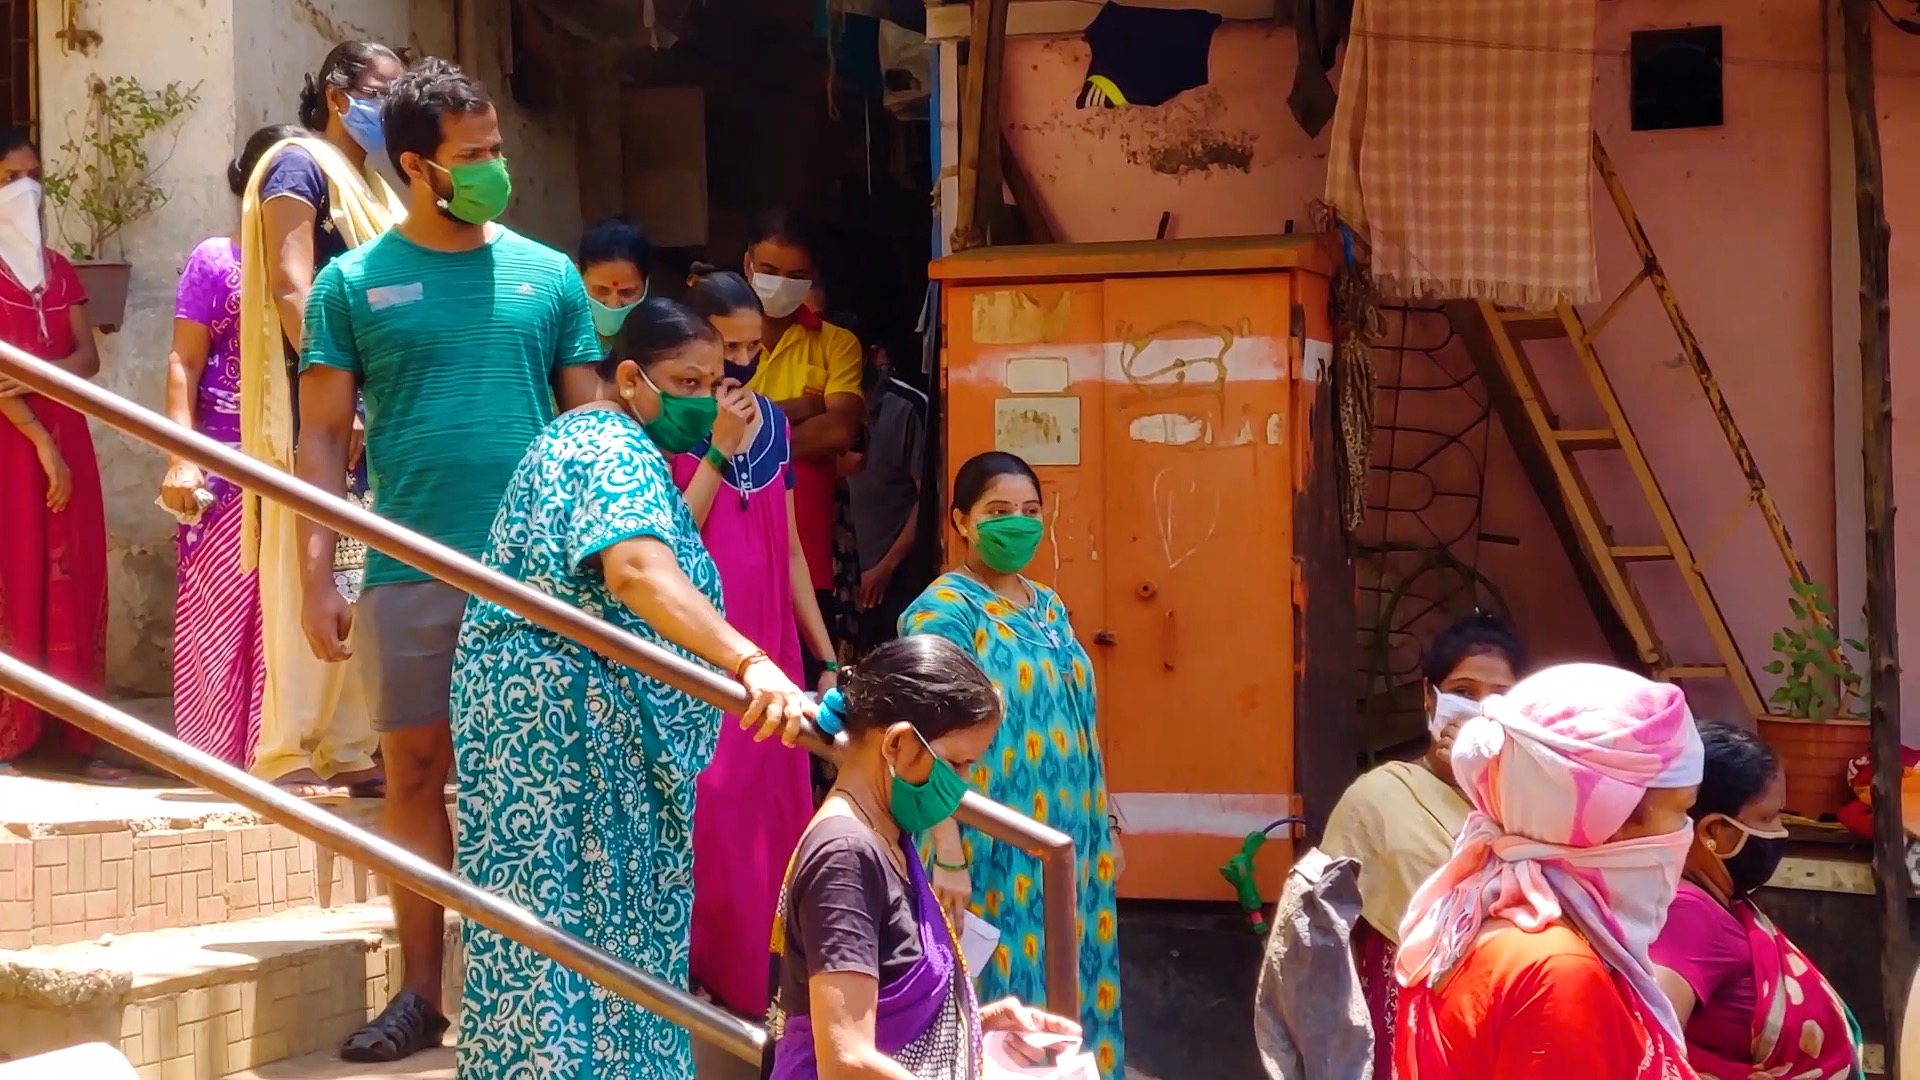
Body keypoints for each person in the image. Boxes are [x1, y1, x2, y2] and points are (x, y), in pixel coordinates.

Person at [295, 57, 604, 1063]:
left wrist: (614, 547)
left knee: (543, 780)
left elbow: (589, 417)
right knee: (414, 776)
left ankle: (552, 994)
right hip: (405, 569)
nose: (494, 169)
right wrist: (317, 570)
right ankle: (422, 995)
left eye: (497, 149)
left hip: (538, 577)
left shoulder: (549, 277)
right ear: (419, 165)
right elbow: (322, 439)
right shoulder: (352, 284)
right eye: (473, 157)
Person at [451, 298, 814, 1080]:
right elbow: (638, 569)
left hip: (571, 732)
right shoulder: (608, 444)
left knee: (576, 939)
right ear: (629, 377)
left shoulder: (601, 443)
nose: (702, 398)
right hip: (564, 734)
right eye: (686, 379)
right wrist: (750, 661)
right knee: (568, 938)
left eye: (715, 381)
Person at [765, 634, 1086, 1079]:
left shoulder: (887, 833)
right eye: (956, 764)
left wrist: (980, 1024)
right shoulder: (845, 860)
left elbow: (885, 1016)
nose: (963, 784)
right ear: (897, 745)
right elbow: (847, 1062)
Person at [900, 451, 1126, 1079]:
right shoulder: (945, 610)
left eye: (1030, 512)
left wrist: (1105, 823)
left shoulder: (1048, 606)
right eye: (998, 512)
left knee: (1073, 988)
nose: (1018, 525)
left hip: (1069, 841)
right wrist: (947, 847)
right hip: (989, 844)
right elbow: (922, 732)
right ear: (961, 521)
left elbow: (1080, 716)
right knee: (1003, 1000)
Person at [1392, 663, 1704, 1079]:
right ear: (1610, 819)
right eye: (1681, 809)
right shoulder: (1559, 971)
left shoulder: (1460, 919)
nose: (1688, 833)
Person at [239, 40, 406, 798]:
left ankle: (349, 743)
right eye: (383, 94)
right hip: (321, 408)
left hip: (375, 404)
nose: (393, 111)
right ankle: (288, 748)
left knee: (361, 572)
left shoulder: (376, 183)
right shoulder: (300, 167)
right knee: (305, 571)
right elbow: (289, 286)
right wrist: (347, 391)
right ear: (339, 98)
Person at [676, 267, 839, 1018]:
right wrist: (717, 443)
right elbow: (673, 537)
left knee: (777, 823)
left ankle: (771, 1001)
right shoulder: (671, 420)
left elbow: (796, 554)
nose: (743, 361)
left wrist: (826, 655)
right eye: (729, 346)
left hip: (775, 648)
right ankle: (710, 987)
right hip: (704, 649)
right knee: (714, 815)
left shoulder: (775, 420)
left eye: (752, 345)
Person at [1318, 611, 1525, 1078]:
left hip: (1499, 1020)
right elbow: (1329, 935)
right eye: (1463, 693)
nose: (1481, 708)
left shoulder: (1528, 812)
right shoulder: (1378, 796)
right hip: (1401, 1021)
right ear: (1428, 699)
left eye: (1500, 697)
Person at [158, 124, 305, 769]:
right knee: (222, 613)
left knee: (310, 604)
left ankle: (298, 750)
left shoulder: (321, 265)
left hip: (312, 464)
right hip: (225, 470)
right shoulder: (217, 261)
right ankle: (218, 761)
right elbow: (184, 364)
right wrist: (180, 456)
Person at [0, 129, 120, 780]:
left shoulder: (59, 268)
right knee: (16, 575)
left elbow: (87, 356)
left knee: (71, 574)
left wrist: (41, 383)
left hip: (65, 433)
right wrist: (40, 438)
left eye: (33, 175)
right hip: (13, 446)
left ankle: (73, 736)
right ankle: (12, 737)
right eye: (10, 178)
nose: (26, 190)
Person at [1651, 720, 1864, 1078]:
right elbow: (1650, 1042)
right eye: (1768, 816)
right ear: (1714, 831)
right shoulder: (1688, 914)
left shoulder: (1719, 902)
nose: (1780, 830)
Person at [740, 209, 864, 674]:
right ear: (747, 264)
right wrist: (804, 407)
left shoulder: (837, 344)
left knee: (806, 683)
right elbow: (704, 429)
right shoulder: (714, 339)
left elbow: (838, 432)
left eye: (795, 276)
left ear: (812, 279)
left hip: (807, 554)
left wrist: (748, 427)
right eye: (769, 271)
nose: (779, 284)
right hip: (727, 545)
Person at [844, 331, 929, 652]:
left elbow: (928, 499)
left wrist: (885, 567)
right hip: (846, 573)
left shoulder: (907, 407)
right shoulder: (826, 409)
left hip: (898, 572)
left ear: (874, 356)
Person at [577, 216, 650, 342]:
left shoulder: (661, 341)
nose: (613, 305)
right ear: (578, 276)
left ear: (646, 283)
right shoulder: (554, 338)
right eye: (602, 290)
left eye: (626, 292)